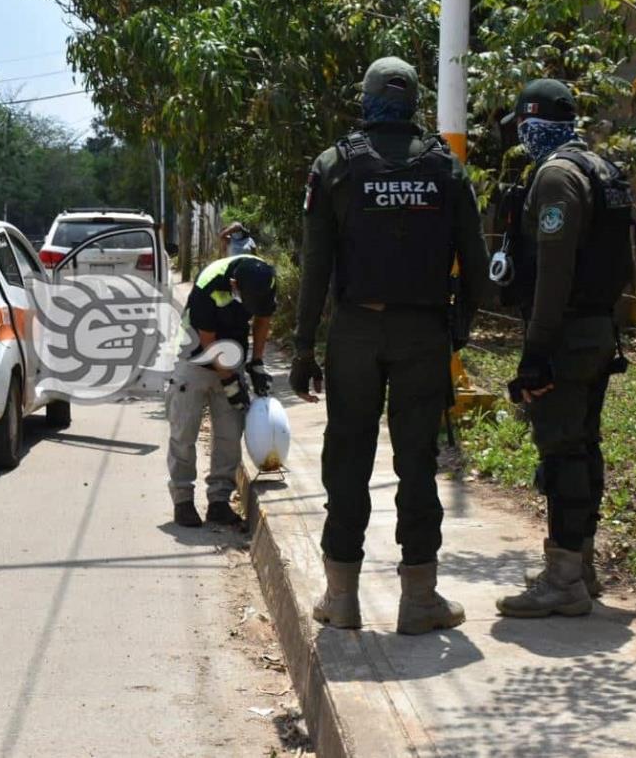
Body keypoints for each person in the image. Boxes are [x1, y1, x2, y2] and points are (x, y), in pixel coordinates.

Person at [290, 57, 491, 635]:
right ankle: (420, 599)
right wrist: (462, 328)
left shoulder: (333, 167)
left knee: (347, 460)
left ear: (367, 99)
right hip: (423, 333)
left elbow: (316, 268)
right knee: (418, 465)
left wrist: (305, 348)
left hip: (354, 331)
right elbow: (476, 266)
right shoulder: (446, 168)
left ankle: (342, 597)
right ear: (414, 103)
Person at [493, 79, 636, 618]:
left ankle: (563, 581)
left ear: (534, 122)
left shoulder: (556, 176)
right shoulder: (600, 168)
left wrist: (536, 353)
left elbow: (554, 273)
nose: (521, 135)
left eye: (523, 125)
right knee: (583, 445)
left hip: (567, 334)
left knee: (561, 451)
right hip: (596, 331)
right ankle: (581, 563)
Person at [167, 254, 277, 528]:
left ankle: (219, 501)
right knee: (184, 431)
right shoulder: (210, 282)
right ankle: (183, 500)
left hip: (233, 356)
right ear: (233, 284)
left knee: (230, 434)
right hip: (193, 356)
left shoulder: (265, 280)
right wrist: (229, 382)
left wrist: (257, 362)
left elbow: (263, 319)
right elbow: (207, 340)